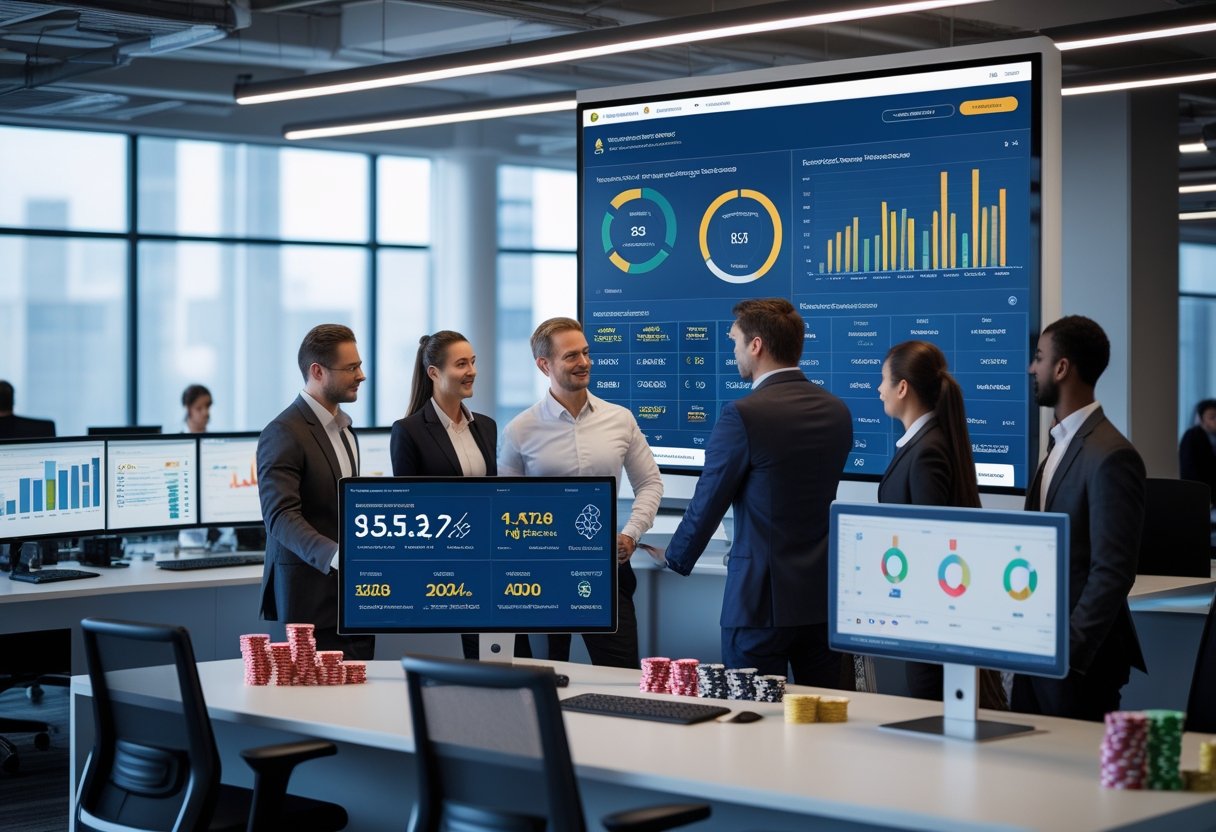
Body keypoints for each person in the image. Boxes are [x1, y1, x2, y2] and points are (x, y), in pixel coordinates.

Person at [657, 299, 853, 687]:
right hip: (823, 600)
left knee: (751, 725)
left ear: (756, 346)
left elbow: (707, 500)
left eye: (735, 342)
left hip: (759, 604)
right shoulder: (837, 411)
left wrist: (674, 556)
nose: (733, 352)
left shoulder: (743, 414)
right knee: (829, 721)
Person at [499, 317, 662, 669]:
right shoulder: (520, 430)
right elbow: (506, 504)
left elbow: (650, 482)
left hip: (604, 568)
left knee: (620, 675)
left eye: (586, 353)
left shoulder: (620, 419)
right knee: (542, 675)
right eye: (572, 356)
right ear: (545, 365)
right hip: (540, 576)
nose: (584, 362)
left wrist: (632, 534)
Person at [1015, 315, 1147, 721]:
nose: (1031, 368)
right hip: (1037, 649)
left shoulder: (1111, 454)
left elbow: (1112, 570)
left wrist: (1068, 655)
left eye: (1039, 358)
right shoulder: (1060, 441)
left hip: (1077, 664)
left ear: (1062, 368)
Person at [876, 340, 1005, 708]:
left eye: (883, 380)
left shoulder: (927, 451)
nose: (879, 388)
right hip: (926, 616)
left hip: (930, 619)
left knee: (933, 710)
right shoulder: (923, 443)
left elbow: (934, 545)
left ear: (903, 388)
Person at [390, 330, 531, 661]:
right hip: (450, 571)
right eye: (461, 364)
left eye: (473, 362)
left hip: (493, 563)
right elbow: (411, 510)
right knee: (473, 661)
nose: (472, 371)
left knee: (514, 656)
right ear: (434, 373)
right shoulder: (408, 431)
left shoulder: (485, 425)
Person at [256, 324, 374, 660]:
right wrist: (338, 557)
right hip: (310, 601)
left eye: (359, 365)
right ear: (317, 371)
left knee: (360, 701)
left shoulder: (346, 428)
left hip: (355, 597)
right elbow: (280, 517)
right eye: (351, 368)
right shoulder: (283, 432)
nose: (361, 375)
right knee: (319, 706)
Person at [1179, 398, 1216, 504]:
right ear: (1201, 419)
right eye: (1212, 417)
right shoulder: (1192, 436)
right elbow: (1188, 470)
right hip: (1199, 495)